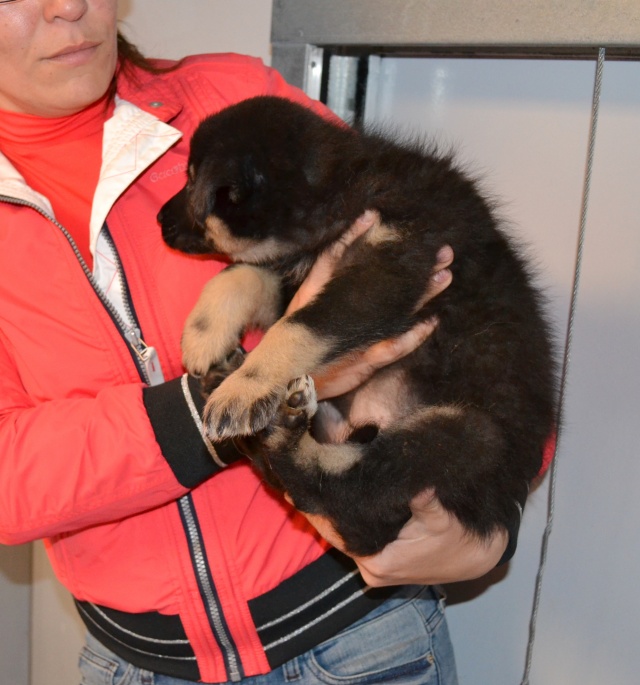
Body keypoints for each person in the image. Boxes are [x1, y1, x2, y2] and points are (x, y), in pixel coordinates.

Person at [0, 2, 514, 683]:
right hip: (142, 665)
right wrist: (209, 415)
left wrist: (491, 513)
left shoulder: (234, 102)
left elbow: (460, 267)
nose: (67, 4)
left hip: (363, 642)